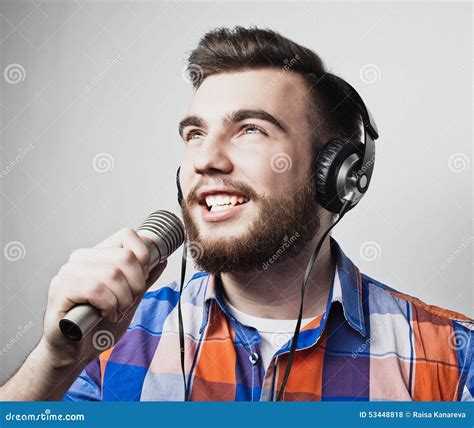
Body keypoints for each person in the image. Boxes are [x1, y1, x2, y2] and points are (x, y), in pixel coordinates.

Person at [1, 26, 472, 402]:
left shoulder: (453, 357)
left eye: (250, 130)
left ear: (339, 174)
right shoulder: (110, 342)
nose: (206, 159)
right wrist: (54, 363)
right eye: (194, 134)